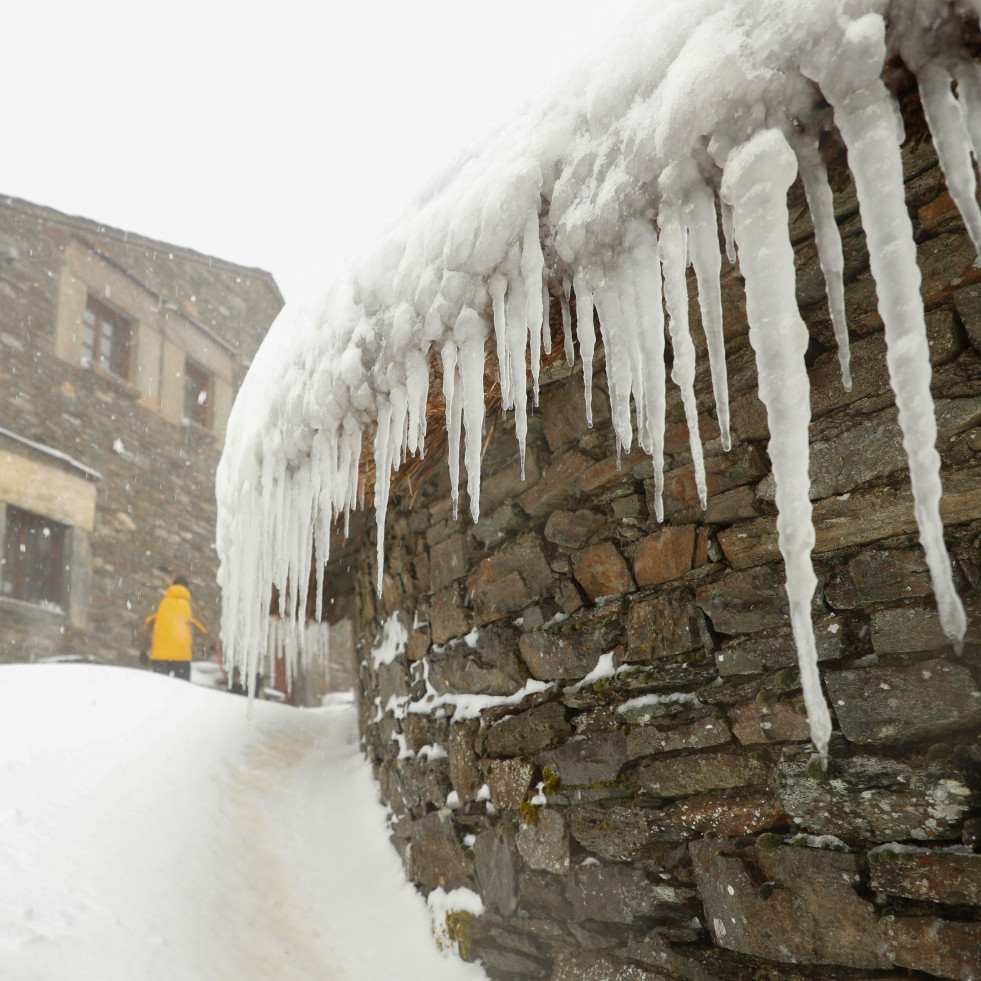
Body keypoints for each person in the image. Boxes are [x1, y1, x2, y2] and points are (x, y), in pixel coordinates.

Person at [143, 576, 206, 681]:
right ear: (187, 588)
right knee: (182, 691)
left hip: (160, 656)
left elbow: (148, 625)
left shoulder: (161, 604)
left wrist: (144, 649)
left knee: (159, 688)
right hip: (181, 657)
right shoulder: (189, 607)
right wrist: (211, 645)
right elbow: (201, 629)